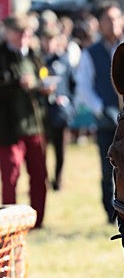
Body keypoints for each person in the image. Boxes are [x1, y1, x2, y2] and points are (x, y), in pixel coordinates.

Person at [75, 1, 124, 223]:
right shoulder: (91, 53)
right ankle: (110, 212)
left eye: (116, 18)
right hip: (106, 120)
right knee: (108, 168)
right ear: (100, 23)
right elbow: (83, 85)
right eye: (108, 19)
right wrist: (99, 108)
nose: (113, 23)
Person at [0, 13, 50, 228]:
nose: (23, 37)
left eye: (26, 33)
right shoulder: (2, 55)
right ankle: (9, 223)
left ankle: (37, 221)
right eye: (19, 32)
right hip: (10, 128)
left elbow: (43, 74)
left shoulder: (32, 54)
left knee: (39, 176)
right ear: (8, 32)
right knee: (11, 177)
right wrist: (16, 83)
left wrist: (43, 85)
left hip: (34, 125)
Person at [41, 27, 76, 191]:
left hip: (61, 113)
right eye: (46, 40)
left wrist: (71, 107)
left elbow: (73, 85)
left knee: (60, 150)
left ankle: (58, 180)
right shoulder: (39, 60)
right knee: (41, 150)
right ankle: (44, 179)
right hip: (42, 113)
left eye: (51, 40)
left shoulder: (64, 61)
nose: (48, 44)